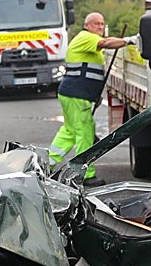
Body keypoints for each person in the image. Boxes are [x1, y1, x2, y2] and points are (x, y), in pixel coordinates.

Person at [48, 11, 136, 185]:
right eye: (97, 24)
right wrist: (129, 41)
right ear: (87, 25)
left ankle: (47, 164)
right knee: (84, 134)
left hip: (73, 94)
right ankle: (85, 175)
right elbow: (105, 43)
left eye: (102, 24)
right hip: (76, 95)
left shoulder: (88, 41)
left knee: (70, 131)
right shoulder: (87, 37)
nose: (100, 27)